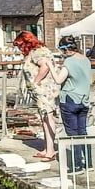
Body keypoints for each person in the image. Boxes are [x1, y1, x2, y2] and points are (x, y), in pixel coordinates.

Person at [15, 32, 61, 161]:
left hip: (44, 91)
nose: (19, 49)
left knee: (48, 118)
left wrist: (36, 81)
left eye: (20, 46)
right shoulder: (40, 51)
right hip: (43, 92)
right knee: (44, 119)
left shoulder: (37, 52)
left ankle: (50, 151)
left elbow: (45, 66)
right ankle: (47, 148)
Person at [57, 40, 94, 171]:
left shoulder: (69, 62)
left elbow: (58, 79)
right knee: (83, 131)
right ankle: (89, 163)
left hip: (70, 99)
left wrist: (51, 67)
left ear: (65, 50)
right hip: (84, 100)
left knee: (72, 133)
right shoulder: (86, 60)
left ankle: (77, 165)